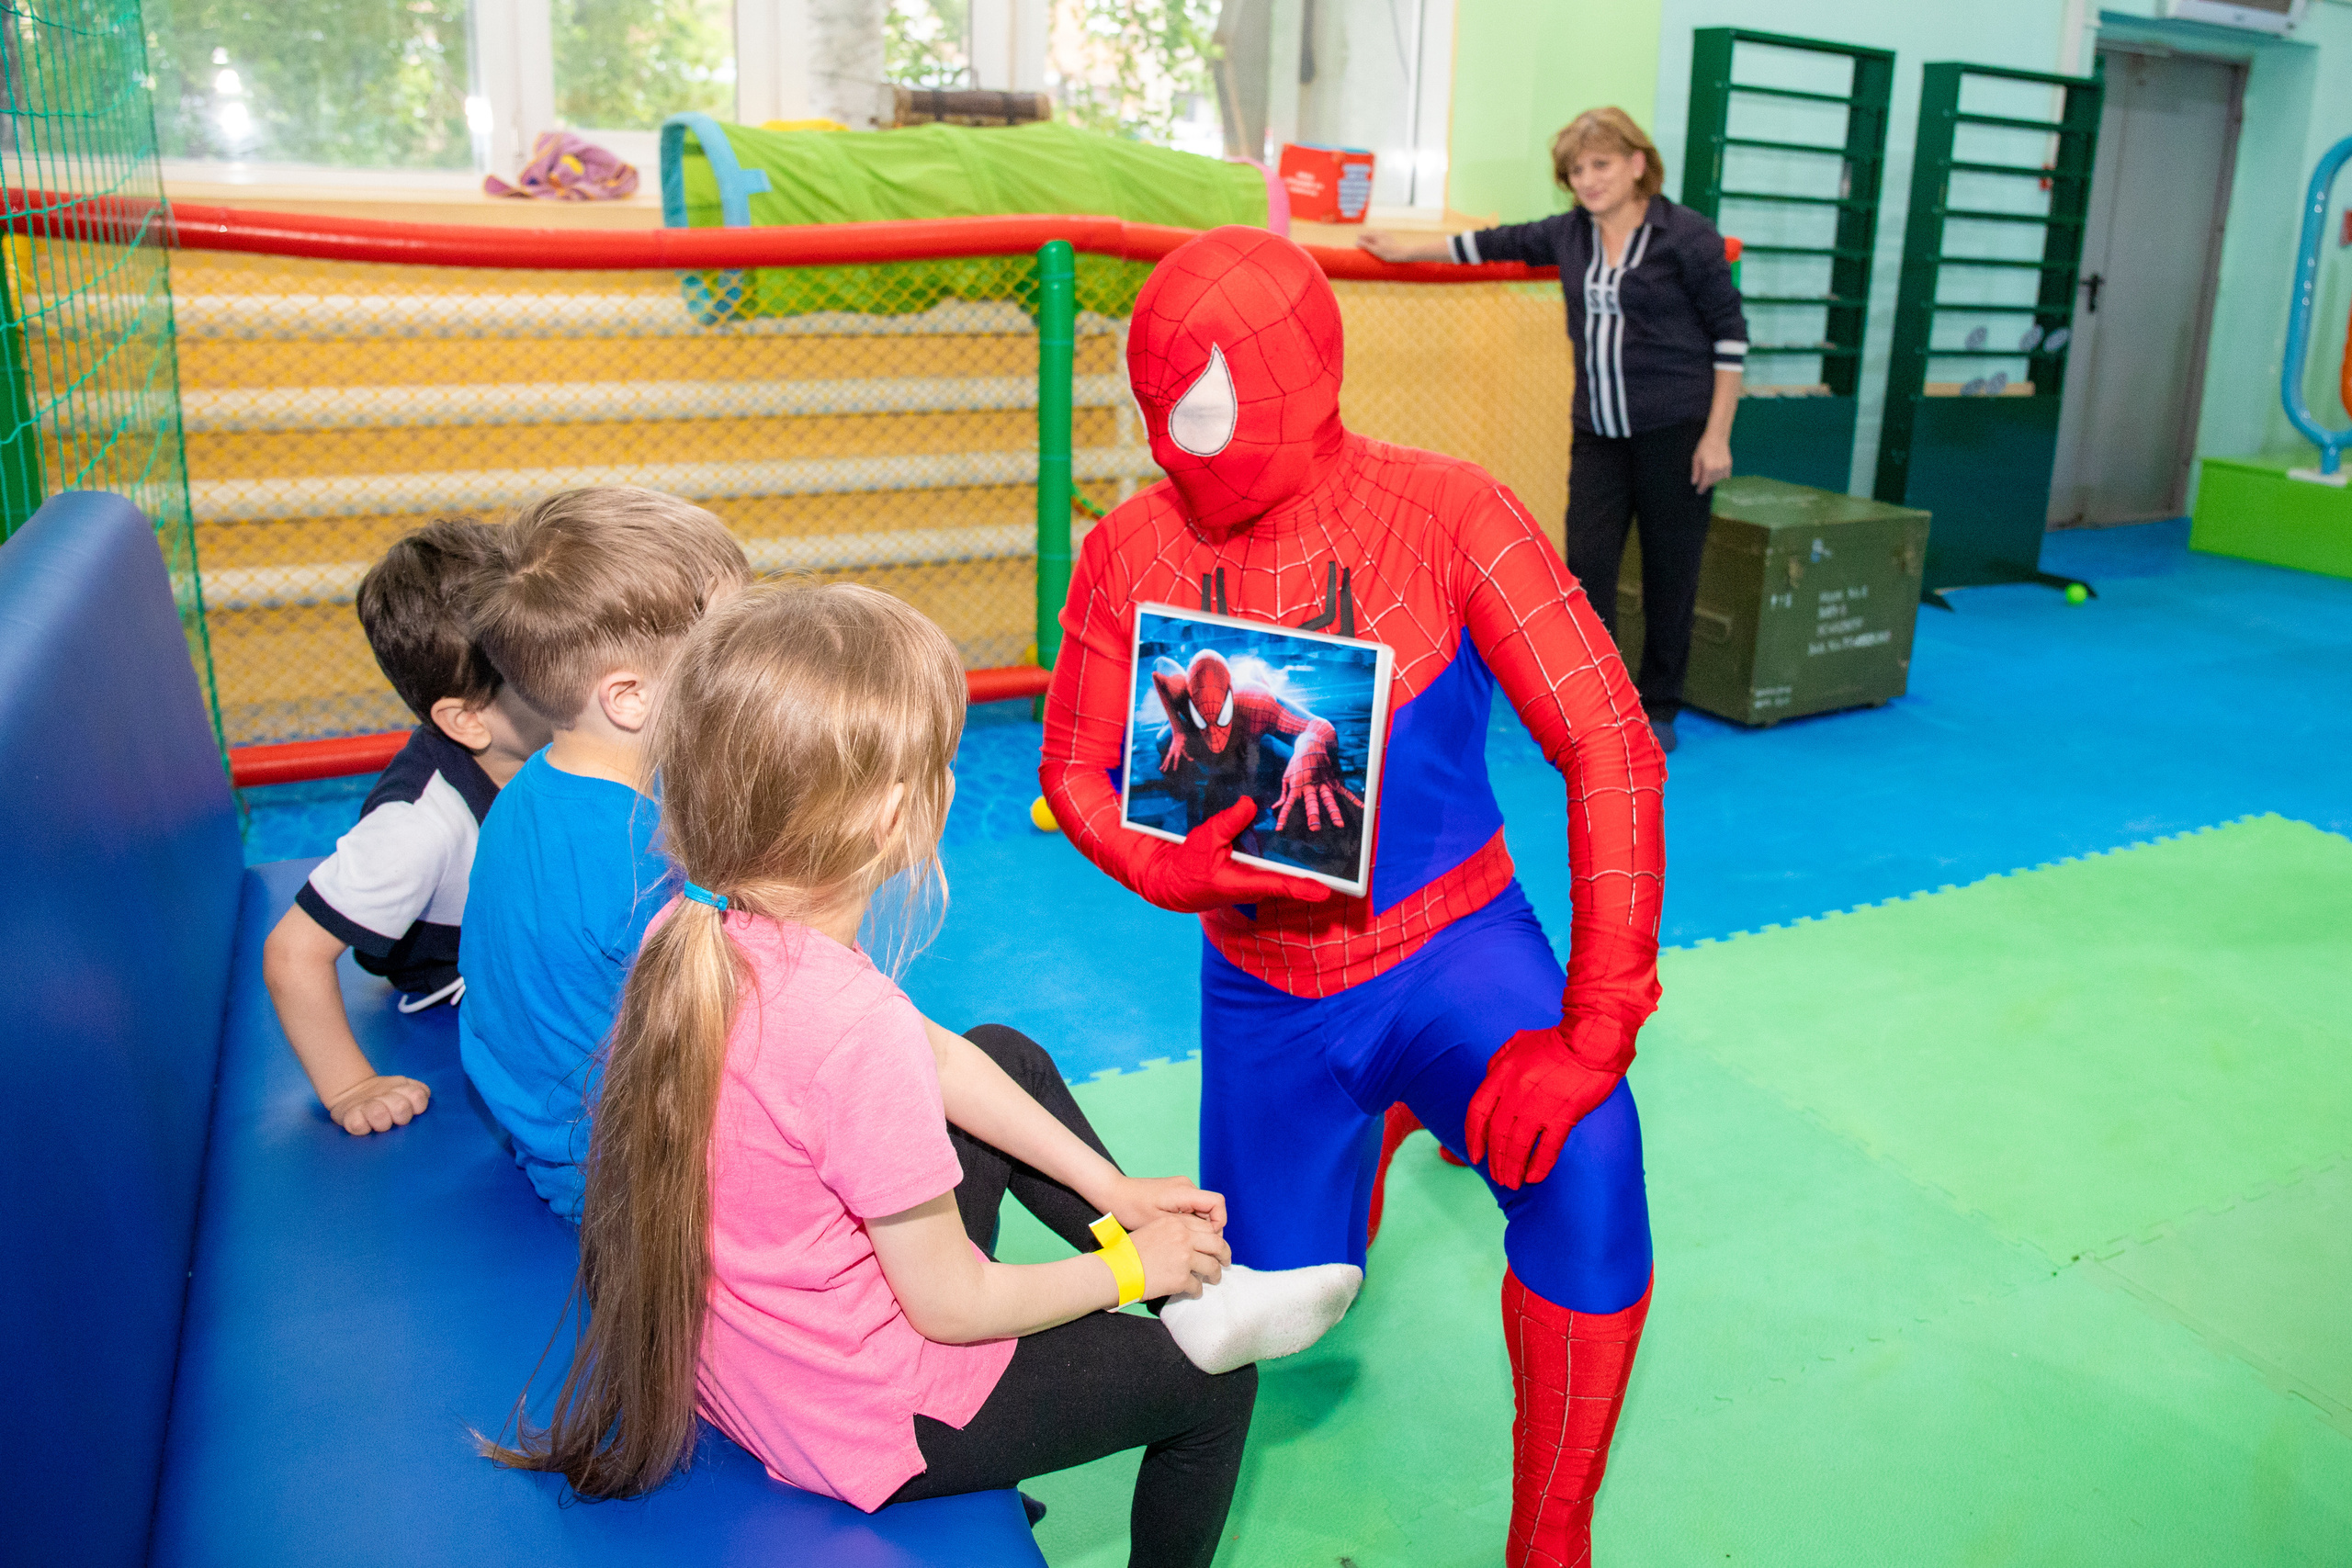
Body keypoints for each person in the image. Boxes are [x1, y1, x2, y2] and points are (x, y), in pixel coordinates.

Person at [488, 581, 1340, 1568]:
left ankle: (1184, 1295)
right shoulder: (847, 1031)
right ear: (900, 812)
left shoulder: (696, 927)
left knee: (1000, 1054)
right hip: (861, 1418)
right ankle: (1180, 1307)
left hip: (753, 1357)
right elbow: (950, 1306)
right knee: (1214, 1389)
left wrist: (1112, 1193)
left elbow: (935, 1056)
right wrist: (1121, 1269)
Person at [1041, 225, 1664, 1568]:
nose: (1180, 442)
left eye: (1211, 403)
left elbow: (1608, 733)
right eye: (1159, 408)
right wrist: (1170, 864)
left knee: (1590, 1154)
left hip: (1453, 947)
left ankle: (1553, 1535)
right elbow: (1074, 765)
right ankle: (1370, 1124)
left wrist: (1598, 1023)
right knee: (1249, 1309)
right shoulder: (1129, 548)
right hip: (1262, 979)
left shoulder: (1450, 514)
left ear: (1304, 375)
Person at [1361, 106, 1749, 754]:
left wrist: (1717, 436)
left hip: (1675, 430)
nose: (1588, 180)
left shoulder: (1687, 236)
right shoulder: (1569, 234)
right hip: (1598, 432)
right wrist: (1404, 248)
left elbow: (1730, 339)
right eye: (1575, 170)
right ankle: (1595, 695)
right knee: (1588, 566)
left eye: (1599, 165)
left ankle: (1658, 704)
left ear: (1635, 164)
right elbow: (1487, 243)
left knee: (1669, 572)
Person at [457, 487, 754, 1221]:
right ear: (629, 697)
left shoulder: (531, 785)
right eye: (727, 645)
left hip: (553, 1137)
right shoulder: (645, 864)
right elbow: (747, 1047)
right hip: (644, 1194)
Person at [263, 518, 553, 1135]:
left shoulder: (542, 742)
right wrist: (352, 1086)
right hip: (451, 968)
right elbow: (292, 952)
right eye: (542, 674)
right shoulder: (419, 828)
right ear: (469, 720)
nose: (575, 676)